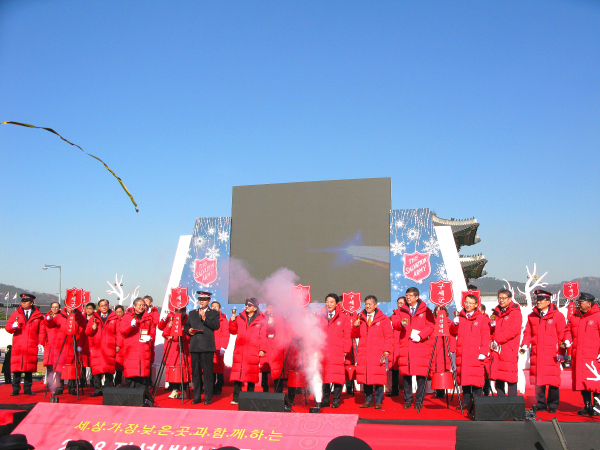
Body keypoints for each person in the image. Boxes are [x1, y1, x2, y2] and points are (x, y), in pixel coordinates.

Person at [520, 289, 566, 413]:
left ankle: (553, 404)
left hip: (551, 354)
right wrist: (524, 344)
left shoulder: (557, 316)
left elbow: (562, 335)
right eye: (537, 300)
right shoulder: (532, 316)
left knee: (552, 380)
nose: (538, 302)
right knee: (538, 380)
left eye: (541, 300)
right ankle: (541, 403)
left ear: (548, 301)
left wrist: (562, 352)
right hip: (537, 353)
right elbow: (527, 332)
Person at [392, 287, 435, 409]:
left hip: (420, 345)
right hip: (406, 346)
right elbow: (395, 324)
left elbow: (431, 326)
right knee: (406, 375)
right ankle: (408, 399)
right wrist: (400, 324)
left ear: (417, 297)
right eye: (407, 295)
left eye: (410, 295)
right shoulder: (401, 311)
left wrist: (421, 335)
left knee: (421, 375)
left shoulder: (426, 311)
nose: (408, 297)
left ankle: (419, 399)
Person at [352, 295, 393, 409]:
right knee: (366, 377)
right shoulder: (360, 318)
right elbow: (354, 335)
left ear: (375, 305)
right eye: (366, 304)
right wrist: (355, 327)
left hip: (377, 352)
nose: (368, 306)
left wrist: (387, 350)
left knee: (378, 377)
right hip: (364, 352)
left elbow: (388, 336)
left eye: (370, 304)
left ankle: (379, 401)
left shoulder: (383, 319)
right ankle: (368, 400)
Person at [450, 294, 490, 408]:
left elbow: (486, 336)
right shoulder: (461, 317)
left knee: (476, 379)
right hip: (463, 353)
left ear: (476, 305)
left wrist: (483, 351)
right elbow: (453, 332)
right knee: (465, 378)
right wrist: (455, 324)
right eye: (466, 302)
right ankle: (466, 402)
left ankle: (477, 403)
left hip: (476, 353)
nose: (468, 305)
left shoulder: (481, 318)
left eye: (471, 303)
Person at [564, 292, 600, 416]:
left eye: (581, 302)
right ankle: (587, 405)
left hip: (593, 355)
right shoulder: (575, 316)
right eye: (578, 302)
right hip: (578, 355)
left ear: (589, 304)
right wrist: (567, 338)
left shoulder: (598, 316)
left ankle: (597, 407)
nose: (578, 304)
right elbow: (568, 329)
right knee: (582, 382)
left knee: (594, 382)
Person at [229, 297, 267, 405]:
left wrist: (262, 349)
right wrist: (232, 321)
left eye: (249, 305)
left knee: (251, 373)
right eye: (246, 304)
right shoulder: (239, 317)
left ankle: (250, 396)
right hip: (240, 349)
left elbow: (263, 336)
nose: (246, 306)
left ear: (255, 308)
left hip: (252, 350)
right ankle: (236, 397)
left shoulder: (261, 320)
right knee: (238, 374)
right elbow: (233, 331)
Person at [185, 291, 220, 405]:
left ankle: (208, 397)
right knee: (195, 373)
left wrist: (205, 319)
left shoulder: (213, 313)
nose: (201, 301)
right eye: (200, 299)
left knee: (208, 373)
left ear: (209, 301)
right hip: (195, 346)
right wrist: (188, 330)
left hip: (207, 347)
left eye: (204, 300)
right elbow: (187, 325)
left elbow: (216, 326)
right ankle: (197, 396)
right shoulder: (192, 313)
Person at [6, 293, 45, 396]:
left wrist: (41, 343)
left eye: (25, 301)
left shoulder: (38, 316)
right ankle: (15, 388)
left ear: (31, 303)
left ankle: (27, 388)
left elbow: (42, 331)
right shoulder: (15, 314)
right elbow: (8, 328)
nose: (23, 303)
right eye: (22, 301)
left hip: (31, 344)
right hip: (19, 344)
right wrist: (13, 327)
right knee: (17, 368)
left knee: (29, 368)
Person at [45, 303, 87, 395]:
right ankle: (59, 387)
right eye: (68, 306)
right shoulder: (60, 316)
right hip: (60, 345)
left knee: (71, 367)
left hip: (72, 345)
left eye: (72, 306)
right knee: (59, 367)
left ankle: (72, 388)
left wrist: (80, 344)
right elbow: (50, 325)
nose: (70, 308)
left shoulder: (80, 317)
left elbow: (83, 332)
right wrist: (48, 320)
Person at [320, 293, 352, 408]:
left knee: (337, 375)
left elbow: (347, 335)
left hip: (338, 351)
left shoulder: (343, 317)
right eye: (327, 301)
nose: (329, 304)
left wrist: (346, 350)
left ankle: (336, 399)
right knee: (325, 376)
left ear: (336, 303)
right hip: (324, 351)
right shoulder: (321, 316)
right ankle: (326, 399)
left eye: (331, 301)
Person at [489, 288, 522, 397]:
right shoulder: (496, 312)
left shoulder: (515, 313)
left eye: (504, 298)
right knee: (498, 375)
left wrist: (498, 340)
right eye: (499, 298)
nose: (501, 300)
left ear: (510, 299)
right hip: (497, 349)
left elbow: (513, 330)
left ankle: (512, 401)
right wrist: (491, 325)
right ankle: (501, 399)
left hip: (509, 348)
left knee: (510, 375)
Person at [85, 299, 119, 397]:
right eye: (101, 305)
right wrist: (92, 328)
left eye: (105, 305)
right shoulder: (93, 318)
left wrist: (118, 345)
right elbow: (87, 332)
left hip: (109, 347)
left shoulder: (114, 318)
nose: (104, 307)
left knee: (109, 369)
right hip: (97, 348)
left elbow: (119, 333)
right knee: (96, 370)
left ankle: (108, 390)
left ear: (108, 306)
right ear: (99, 307)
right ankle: (98, 389)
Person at [120, 298, 156, 388]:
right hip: (131, 350)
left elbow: (153, 330)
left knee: (142, 377)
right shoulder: (127, 317)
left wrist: (150, 336)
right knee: (131, 376)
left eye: (143, 305)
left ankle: (141, 399)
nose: (141, 307)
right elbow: (122, 331)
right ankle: (130, 399)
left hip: (144, 350)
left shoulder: (148, 317)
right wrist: (130, 326)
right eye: (139, 305)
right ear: (134, 306)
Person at [161, 306, 191, 399]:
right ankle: (174, 389)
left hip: (184, 348)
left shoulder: (188, 320)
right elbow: (165, 334)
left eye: (182, 311)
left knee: (184, 369)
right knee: (173, 368)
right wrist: (169, 326)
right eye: (177, 311)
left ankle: (184, 390)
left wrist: (173, 337)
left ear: (185, 312)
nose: (179, 313)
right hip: (173, 349)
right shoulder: (172, 320)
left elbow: (187, 336)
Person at [260, 302, 288, 394]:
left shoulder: (279, 319)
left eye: (271, 308)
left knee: (276, 369)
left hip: (276, 347)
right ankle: (265, 388)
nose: (269, 310)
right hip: (266, 346)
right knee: (265, 370)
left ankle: (277, 390)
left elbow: (281, 333)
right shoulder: (262, 318)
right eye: (268, 308)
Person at [431, 305, 454, 398]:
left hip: (443, 348)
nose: (438, 312)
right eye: (437, 310)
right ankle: (435, 388)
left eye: (440, 310)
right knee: (433, 368)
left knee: (442, 368)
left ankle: (441, 390)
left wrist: (451, 349)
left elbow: (452, 336)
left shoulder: (448, 322)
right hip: (432, 347)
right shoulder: (431, 322)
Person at [387, 296, 405, 397]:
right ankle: (395, 390)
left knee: (406, 369)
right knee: (394, 368)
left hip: (403, 344)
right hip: (394, 344)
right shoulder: (393, 315)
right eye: (398, 302)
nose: (400, 304)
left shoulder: (408, 315)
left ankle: (408, 393)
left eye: (402, 302)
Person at [211, 301, 230, 395]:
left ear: (219, 309)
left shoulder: (223, 320)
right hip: (209, 347)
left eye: (216, 306)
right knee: (210, 368)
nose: (214, 308)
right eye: (212, 306)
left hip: (218, 347)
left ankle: (219, 386)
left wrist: (223, 347)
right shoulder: (207, 318)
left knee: (219, 368)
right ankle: (211, 387)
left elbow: (226, 334)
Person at [40, 302, 60, 389]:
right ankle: (49, 382)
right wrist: (41, 343)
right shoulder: (46, 318)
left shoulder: (62, 317)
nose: (55, 309)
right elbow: (42, 331)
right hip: (49, 344)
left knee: (59, 364)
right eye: (53, 307)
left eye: (56, 307)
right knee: (49, 365)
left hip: (59, 343)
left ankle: (59, 383)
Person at [114, 304, 125, 386]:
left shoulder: (125, 320)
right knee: (118, 366)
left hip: (124, 346)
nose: (118, 313)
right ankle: (117, 382)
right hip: (116, 345)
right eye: (117, 312)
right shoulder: (113, 320)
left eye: (120, 311)